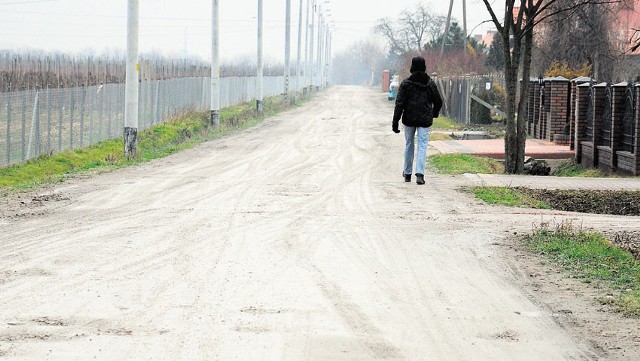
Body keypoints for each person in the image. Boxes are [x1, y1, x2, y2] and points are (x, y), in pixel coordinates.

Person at [392, 56, 443, 185]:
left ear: (412, 68)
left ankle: (407, 173)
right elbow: (438, 101)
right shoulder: (430, 83)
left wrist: (395, 122)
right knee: (422, 145)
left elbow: (399, 104)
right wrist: (434, 113)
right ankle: (420, 174)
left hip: (409, 118)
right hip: (424, 119)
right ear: (424, 67)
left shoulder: (406, 84)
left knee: (409, 144)